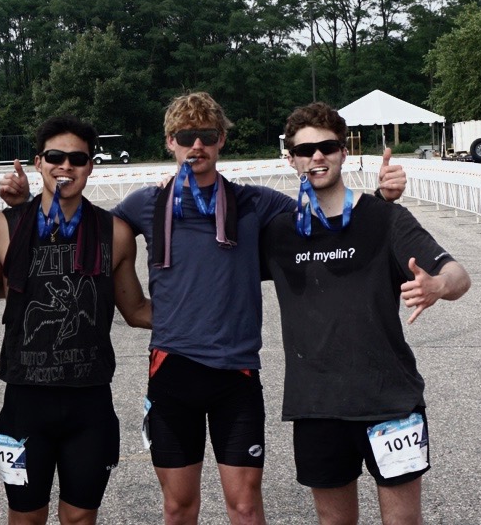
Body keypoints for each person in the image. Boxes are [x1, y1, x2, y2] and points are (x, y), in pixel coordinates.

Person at [109, 92, 405, 525]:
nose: (197, 146)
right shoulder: (147, 203)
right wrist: (134, 306)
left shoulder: (254, 201)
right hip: (172, 371)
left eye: (206, 136)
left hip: (236, 375)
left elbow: (326, 224)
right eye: (186, 136)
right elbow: (102, 245)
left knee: (245, 506)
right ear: (170, 142)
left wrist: (380, 196)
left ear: (221, 140)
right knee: (177, 507)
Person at [262, 103, 471, 525]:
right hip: (317, 406)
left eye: (327, 146)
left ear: (344, 153)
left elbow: (458, 274)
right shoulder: (279, 232)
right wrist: (172, 187)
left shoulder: (384, 217)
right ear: (291, 159)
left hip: (390, 401)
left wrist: (436, 287)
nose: (316, 156)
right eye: (305, 150)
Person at [0, 116, 152, 525]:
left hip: (89, 401)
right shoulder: (2, 226)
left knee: (79, 518)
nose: (66, 166)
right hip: (24, 400)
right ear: (38, 162)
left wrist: (207, 312)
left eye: (78, 158)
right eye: (56, 157)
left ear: (91, 165)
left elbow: (136, 311)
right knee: (26, 518)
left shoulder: (115, 231)